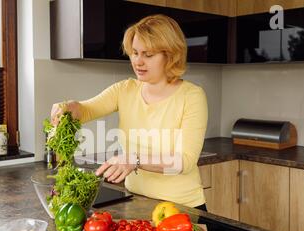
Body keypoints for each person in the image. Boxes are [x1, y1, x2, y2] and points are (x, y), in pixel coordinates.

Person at [50, 14, 208, 210]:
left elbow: (184, 161)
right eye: (134, 53)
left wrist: (134, 160)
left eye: (148, 55)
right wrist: (70, 107)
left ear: (171, 55)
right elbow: (86, 110)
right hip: (137, 203)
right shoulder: (124, 89)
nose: (138, 62)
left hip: (182, 208)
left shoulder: (192, 96)